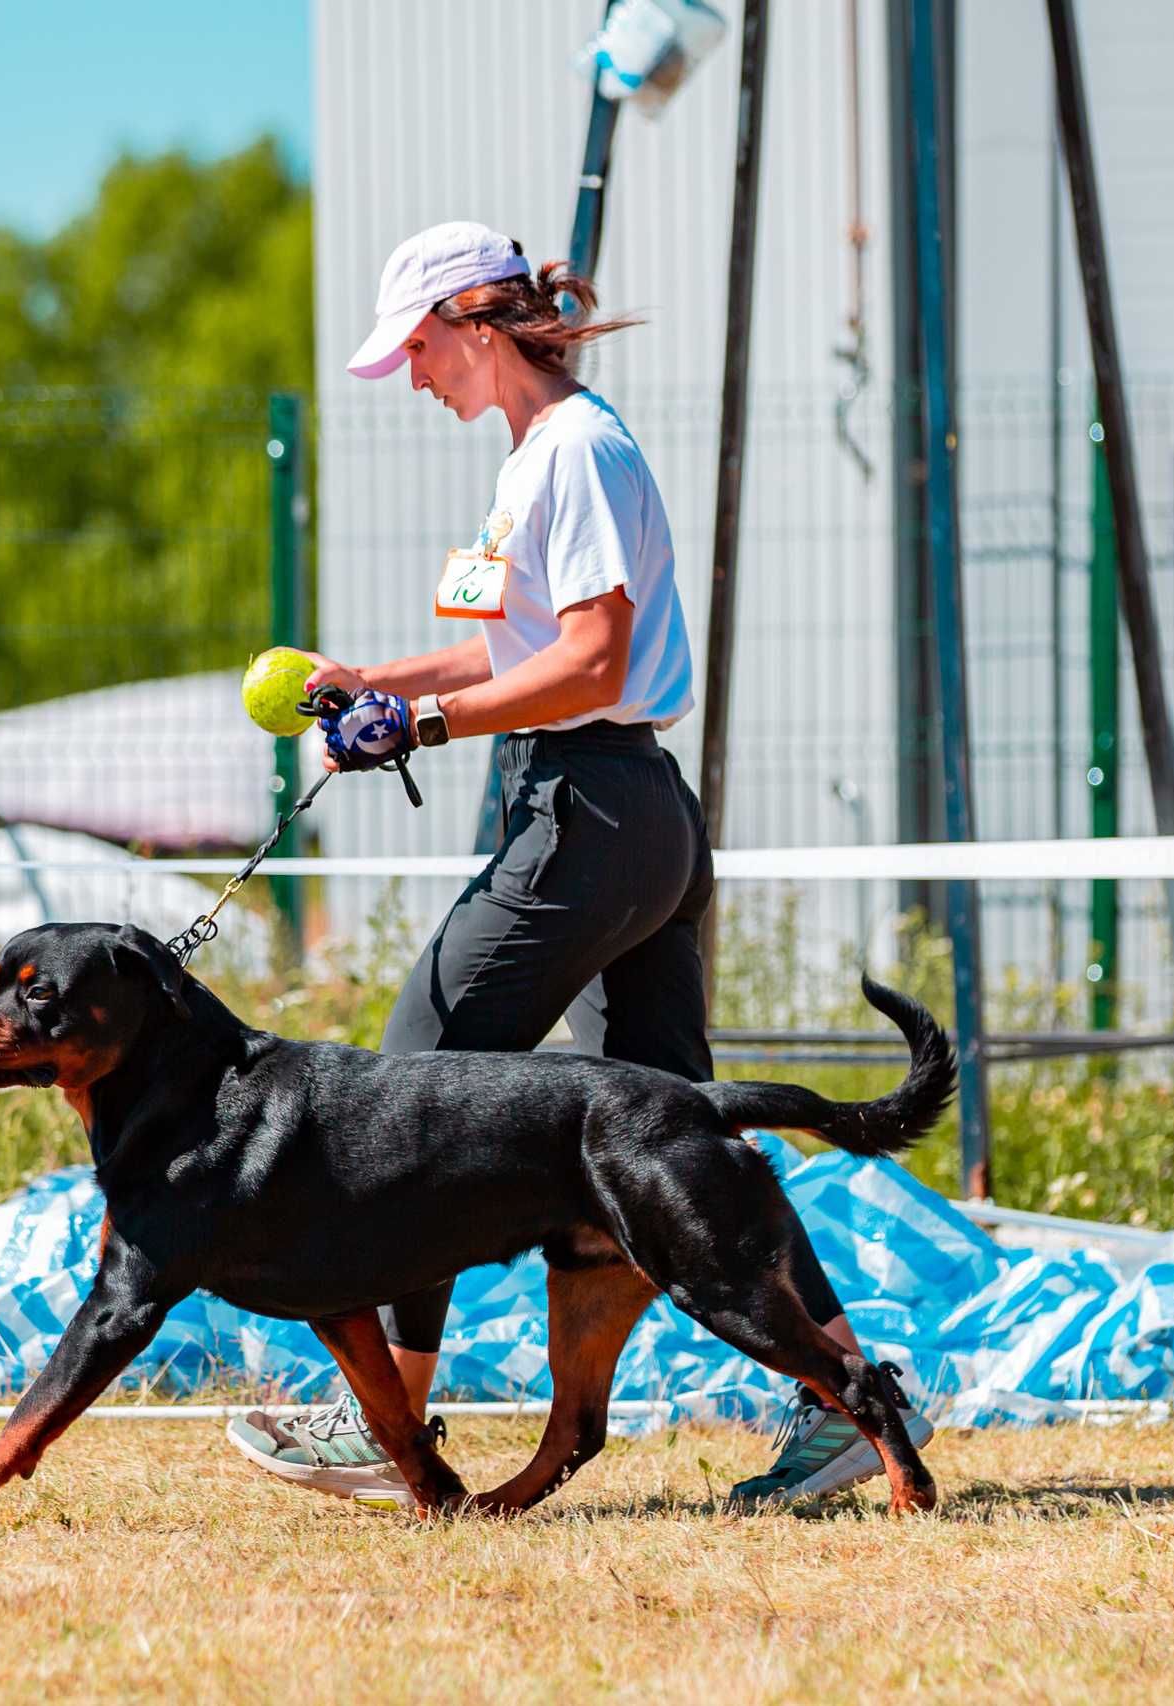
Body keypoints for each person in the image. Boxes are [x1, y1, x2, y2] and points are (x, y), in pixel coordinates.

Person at [223, 221, 934, 1512]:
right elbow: (518, 651)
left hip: (592, 808)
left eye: (417, 348)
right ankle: (847, 1395)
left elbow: (592, 663)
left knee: (414, 1076)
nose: (411, 375)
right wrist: (373, 681)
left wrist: (423, 726)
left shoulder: (579, 450)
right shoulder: (536, 455)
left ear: (473, 326)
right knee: (679, 1130)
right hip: (628, 812)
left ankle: (386, 1419)